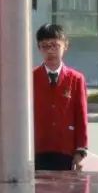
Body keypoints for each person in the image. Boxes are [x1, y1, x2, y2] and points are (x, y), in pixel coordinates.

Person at [32, 23, 88, 171]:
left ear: (65, 46)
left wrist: (80, 150)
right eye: (44, 46)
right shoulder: (29, 78)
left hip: (65, 149)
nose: (50, 51)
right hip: (36, 149)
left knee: (64, 191)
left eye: (55, 46)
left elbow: (81, 116)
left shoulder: (76, 79)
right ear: (38, 48)